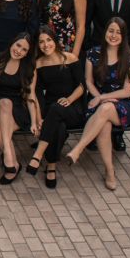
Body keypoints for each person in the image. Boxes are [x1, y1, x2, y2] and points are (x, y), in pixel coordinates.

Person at [65, 18, 130, 191]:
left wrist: (103, 98)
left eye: (118, 32)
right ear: (105, 32)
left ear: (124, 36)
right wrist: (99, 97)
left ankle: (78, 149)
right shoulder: (93, 53)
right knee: (104, 124)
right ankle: (110, 170)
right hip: (98, 100)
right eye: (111, 31)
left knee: (105, 108)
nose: (113, 35)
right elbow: (88, 82)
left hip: (124, 104)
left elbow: (127, 91)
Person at [26, 27, 85, 189]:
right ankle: (51, 166)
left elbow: (82, 85)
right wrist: (39, 118)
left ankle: (38, 155)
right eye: (41, 42)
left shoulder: (70, 58)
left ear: (55, 40)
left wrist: (69, 99)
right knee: (58, 125)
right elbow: (37, 93)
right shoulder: (38, 64)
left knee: (56, 109)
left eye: (49, 40)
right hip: (52, 110)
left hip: (73, 106)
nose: (46, 45)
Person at [0, 33, 36, 185]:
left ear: (27, 53)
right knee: (6, 103)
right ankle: (7, 153)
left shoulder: (29, 67)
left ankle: (13, 164)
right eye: (18, 45)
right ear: (12, 42)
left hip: (18, 108)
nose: (19, 51)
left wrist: (34, 121)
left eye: (24, 50)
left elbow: (31, 96)